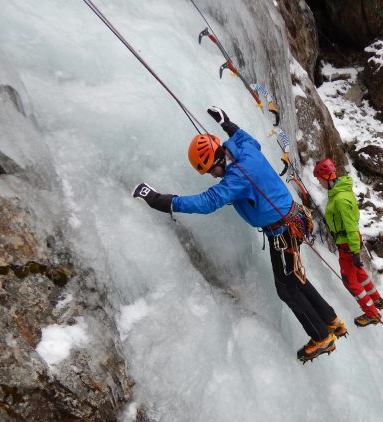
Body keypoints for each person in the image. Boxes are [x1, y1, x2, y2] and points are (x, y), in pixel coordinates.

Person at [133, 107, 346, 363]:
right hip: (293, 222)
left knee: (287, 290)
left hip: (282, 233)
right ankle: (332, 320)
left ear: (219, 160)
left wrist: (159, 200)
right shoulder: (244, 150)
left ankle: (322, 336)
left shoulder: (237, 179)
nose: (212, 175)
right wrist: (227, 123)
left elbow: (207, 202)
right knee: (295, 281)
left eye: (212, 170)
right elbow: (247, 138)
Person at [313, 159, 383, 326]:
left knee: (349, 280)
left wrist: (353, 251)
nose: (320, 183)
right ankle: (377, 300)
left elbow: (351, 226)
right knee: (359, 273)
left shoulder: (340, 199)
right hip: (349, 241)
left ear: (327, 178)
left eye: (320, 180)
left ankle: (371, 314)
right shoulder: (342, 192)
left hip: (348, 242)